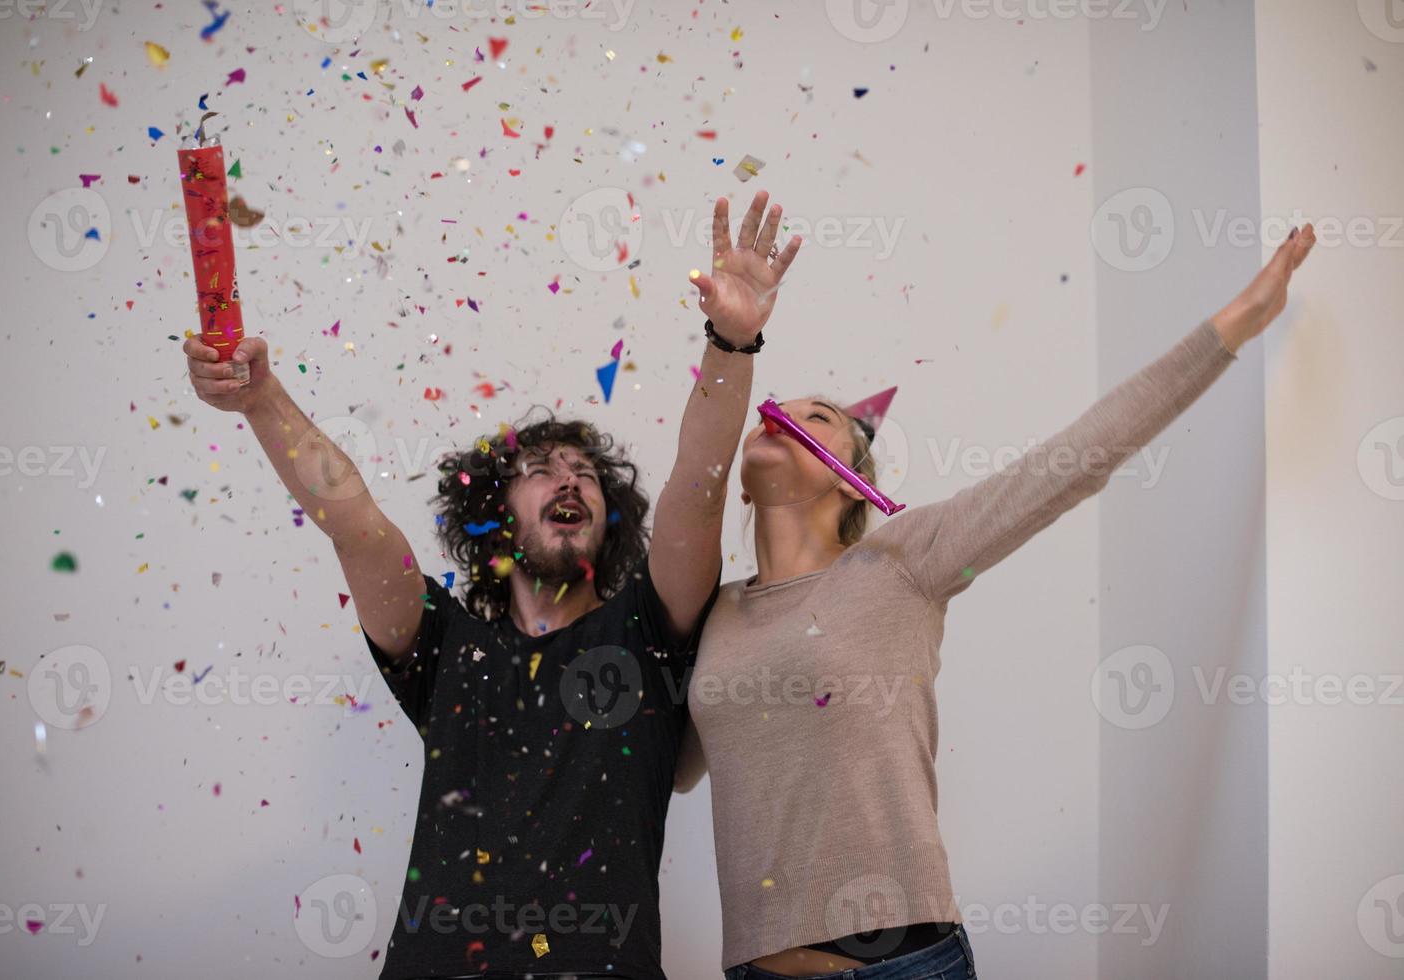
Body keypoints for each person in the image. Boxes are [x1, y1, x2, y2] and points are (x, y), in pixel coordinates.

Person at [183, 190, 800, 979]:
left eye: (584, 475)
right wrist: (261, 398)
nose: (567, 481)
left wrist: (731, 343)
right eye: (540, 472)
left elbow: (698, 484)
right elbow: (352, 518)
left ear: (610, 520)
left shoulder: (648, 631)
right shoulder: (441, 644)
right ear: (494, 514)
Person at [676, 227, 1319, 979]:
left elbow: (1074, 460)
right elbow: (670, 768)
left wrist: (1237, 319)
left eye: (816, 418)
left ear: (852, 480)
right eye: (775, 411)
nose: (779, 416)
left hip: (903, 964)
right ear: (743, 483)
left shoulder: (902, 559)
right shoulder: (713, 614)